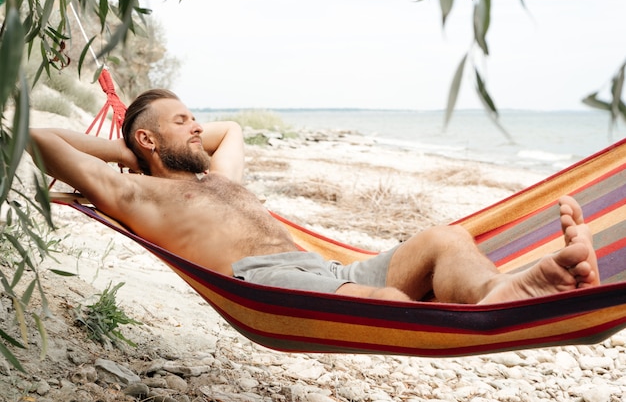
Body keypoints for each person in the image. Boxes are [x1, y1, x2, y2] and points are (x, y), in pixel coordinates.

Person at [28, 89, 600, 304]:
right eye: (184, 120)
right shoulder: (137, 192)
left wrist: (169, 137)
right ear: (149, 138)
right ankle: (489, 300)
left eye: (196, 115)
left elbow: (234, 133)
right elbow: (41, 137)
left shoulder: (217, 175)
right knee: (392, 308)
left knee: (445, 238)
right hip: (264, 283)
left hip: (329, 269)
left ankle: (498, 293)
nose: (200, 127)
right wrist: (135, 152)